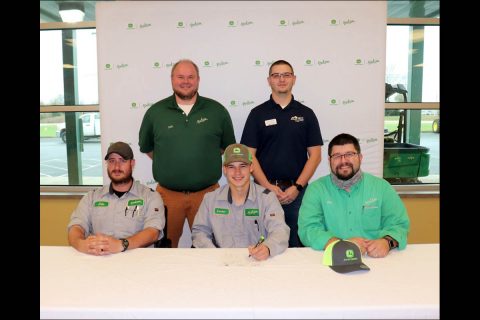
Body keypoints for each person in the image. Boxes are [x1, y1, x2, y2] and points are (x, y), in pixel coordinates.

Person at [139, 59, 236, 248]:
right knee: (164, 249)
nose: (186, 81)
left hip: (207, 195)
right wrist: (170, 161)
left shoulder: (217, 111)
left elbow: (226, 147)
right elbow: (148, 148)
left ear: (198, 79)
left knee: (210, 249)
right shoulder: (155, 112)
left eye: (190, 77)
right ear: (172, 79)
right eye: (180, 77)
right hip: (168, 196)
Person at [240, 59, 323, 247]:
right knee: (262, 244)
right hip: (263, 193)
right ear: (269, 80)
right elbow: (248, 155)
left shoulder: (306, 114)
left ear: (294, 79)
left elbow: (315, 156)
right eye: (276, 75)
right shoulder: (257, 114)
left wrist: (298, 187)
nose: (281, 79)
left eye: (286, 75)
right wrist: (268, 186)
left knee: (297, 245)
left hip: (298, 194)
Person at [298, 133, 410, 258]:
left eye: (350, 154)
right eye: (337, 156)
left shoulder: (382, 187)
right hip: (331, 259)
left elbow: (399, 225)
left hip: (374, 259)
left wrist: (387, 242)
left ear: (360, 157)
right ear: (329, 161)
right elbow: (308, 229)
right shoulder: (316, 189)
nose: (343, 161)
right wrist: (339, 245)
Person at [192, 143, 290, 260]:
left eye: (243, 166)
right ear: (224, 170)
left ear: (251, 167)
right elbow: (199, 232)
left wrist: (268, 248)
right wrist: (214, 254)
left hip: (257, 262)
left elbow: (280, 230)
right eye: (231, 167)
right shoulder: (210, 199)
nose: (237, 172)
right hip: (222, 263)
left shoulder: (267, 198)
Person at [68, 141, 166, 255]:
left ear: (132, 163)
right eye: (112, 161)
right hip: (99, 259)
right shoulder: (92, 197)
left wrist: (121, 245)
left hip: (138, 260)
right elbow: (76, 226)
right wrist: (80, 244)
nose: (116, 166)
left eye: (122, 161)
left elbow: (153, 232)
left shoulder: (150, 197)